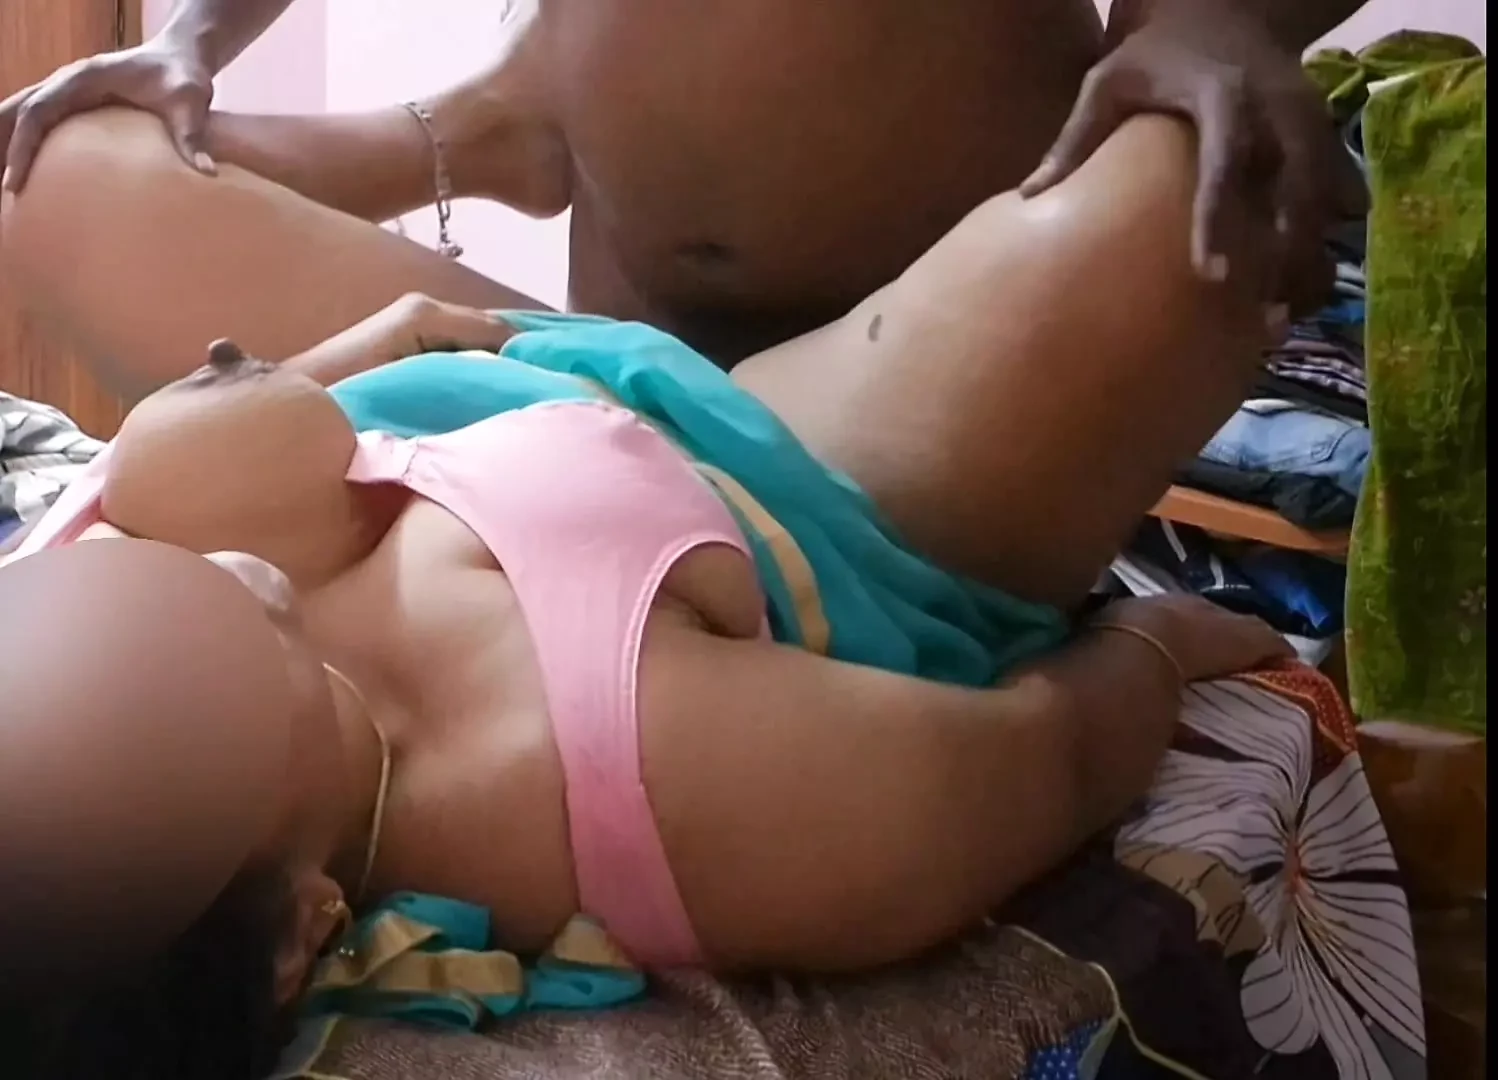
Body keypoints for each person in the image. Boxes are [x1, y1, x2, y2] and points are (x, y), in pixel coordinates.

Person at [0, 102, 1307, 1078]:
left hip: (490, 354)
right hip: (804, 457)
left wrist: (381, 340)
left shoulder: (62, 650)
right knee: (1204, 168)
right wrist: (1161, 645)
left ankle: (506, 122)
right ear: (301, 932)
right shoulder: (627, 769)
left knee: (53, 165)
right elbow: (1033, 763)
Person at [0, 0, 1366, 379]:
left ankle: (493, 125)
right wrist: (192, 39)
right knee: (54, 168)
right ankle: (514, 119)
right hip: (612, 370)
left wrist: (1212, 15)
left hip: (915, 384)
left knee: (1183, 187)